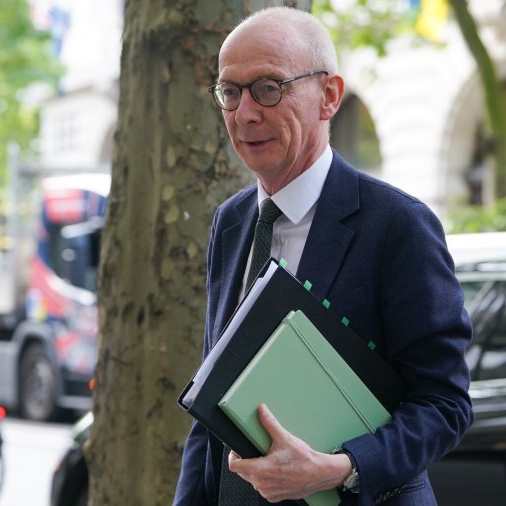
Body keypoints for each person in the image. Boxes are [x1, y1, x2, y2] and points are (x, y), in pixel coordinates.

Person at [175, 7, 473, 505]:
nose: (245, 112)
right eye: (230, 92)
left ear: (329, 97)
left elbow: (444, 405)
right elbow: (212, 406)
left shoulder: (397, 226)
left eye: (268, 88)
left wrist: (340, 468)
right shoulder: (231, 222)